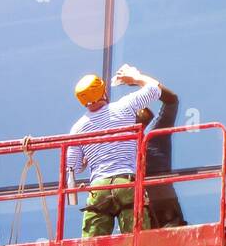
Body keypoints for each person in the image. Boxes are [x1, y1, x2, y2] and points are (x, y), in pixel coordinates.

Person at [67, 64, 161, 236]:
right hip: (126, 182)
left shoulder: (78, 128)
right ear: (103, 92)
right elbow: (155, 89)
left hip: (99, 188)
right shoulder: (125, 106)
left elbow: (73, 167)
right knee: (137, 242)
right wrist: (134, 76)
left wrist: (90, 155)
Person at [135, 84, 186, 227]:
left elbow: (171, 102)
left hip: (156, 201)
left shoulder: (152, 134)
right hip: (158, 199)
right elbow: (172, 101)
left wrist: (139, 80)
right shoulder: (148, 137)